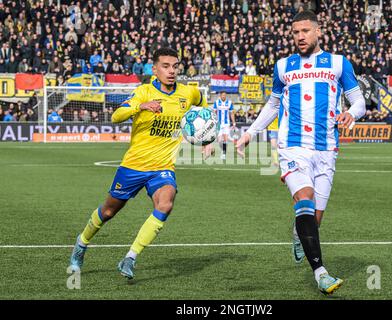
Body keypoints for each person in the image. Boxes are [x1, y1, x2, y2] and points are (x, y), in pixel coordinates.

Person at [236, 10, 366, 295]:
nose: (300, 36)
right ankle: (321, 273)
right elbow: (272, 105)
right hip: (293, 146)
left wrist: (350, 114)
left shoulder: (337, 63)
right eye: (295, 32)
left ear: (318, 32)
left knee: (313, 219)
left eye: (305, 31)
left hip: (326, 149)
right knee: (304, 199)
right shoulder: (284, 66)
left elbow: (359, 101)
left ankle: (298, 232)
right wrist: (249, 133)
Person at [68, 47, 208, 279]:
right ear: (155, 69)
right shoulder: (143, 92)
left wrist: (206, 139)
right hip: (134, 166)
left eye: (175, 66)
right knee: (109, 211)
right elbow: (116, 117)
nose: (171, 71)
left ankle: (130, 258)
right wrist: (141, 106)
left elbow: (204, 107)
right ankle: (81, 243)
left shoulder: (188, 93)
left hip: (162, 167)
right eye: (165, 66)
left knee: (165, 203)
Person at [213, 91, 236, 160]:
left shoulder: (229, 103)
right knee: (219, 140)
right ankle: (223, 150)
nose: (224, 96)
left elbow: (232, 114)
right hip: (219, 123)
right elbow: (214, 112)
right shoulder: (216, 102)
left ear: (226, 96)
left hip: (226, 124)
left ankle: (223, 153)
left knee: (225, 139)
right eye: (222, 95)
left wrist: (234, 123)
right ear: (220, 96)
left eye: (225, 95)